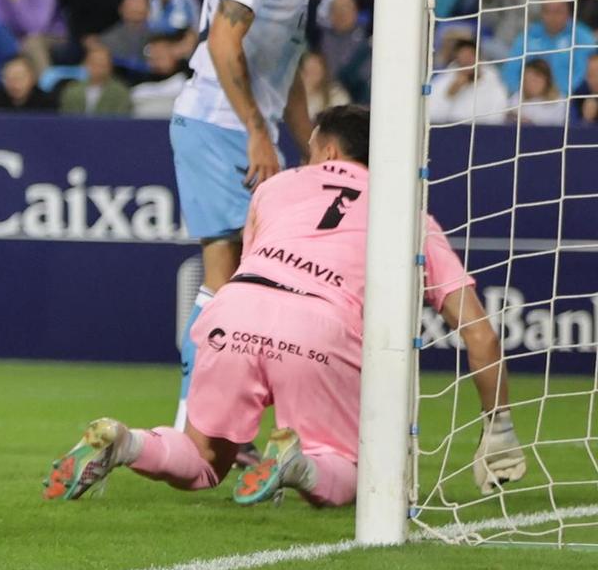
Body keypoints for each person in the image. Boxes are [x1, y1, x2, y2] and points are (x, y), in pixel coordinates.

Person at [45, 106, 524, 507]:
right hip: (320, 324)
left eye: (311, 147)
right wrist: (498, 426)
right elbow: (479, 333)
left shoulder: (274, 188)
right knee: (349, 472)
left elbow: (253, 260)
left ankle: (125, 441)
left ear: (330, 152)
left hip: (236, 307)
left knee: (205, 458)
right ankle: (298, 464)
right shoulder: (408, 212)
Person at [168, 0, 348, 429]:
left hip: (240, 126)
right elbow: (224, 37)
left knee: (254, 281)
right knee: (229, 278)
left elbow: (285, 68)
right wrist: (256, 131)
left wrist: (316, 151)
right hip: (219, 124)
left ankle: (219, 425)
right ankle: (197, 424)